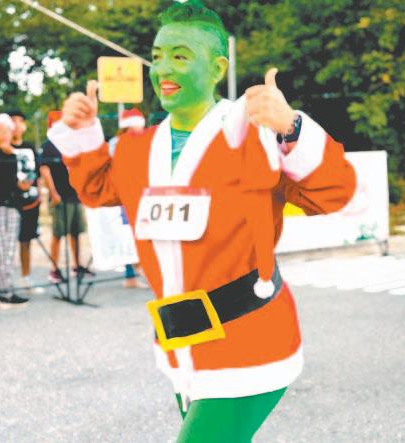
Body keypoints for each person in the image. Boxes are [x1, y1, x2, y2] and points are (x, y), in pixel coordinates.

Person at [48, 1, 357, 440]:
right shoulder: (137, 148)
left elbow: (333, 193)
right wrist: (82, 130)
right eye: (157, 56)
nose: (162, 68)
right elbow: (97, 188)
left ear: (217, 69)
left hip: (250, 340)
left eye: (180, 56)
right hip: (179, 348)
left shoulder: (257, 136)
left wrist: (289, 126)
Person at [40, 111, 94, 283]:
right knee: (58, 234)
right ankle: (54, 269)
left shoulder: (72, 144)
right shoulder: (48, 145)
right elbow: (44, 169)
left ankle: (77, 266)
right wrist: (53, 193)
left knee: (76, 233)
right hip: (60, 196)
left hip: (75, 195)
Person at [0, 113, 31, 309]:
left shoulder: (14, 154)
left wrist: (13, 154)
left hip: (13, 205)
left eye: (9, 130)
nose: (6, 134)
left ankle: (9, 291)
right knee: (1, 249)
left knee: (10, 249)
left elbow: (23, 178)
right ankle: (2, 294)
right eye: (2, 130)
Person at [109, 108, 149, 289]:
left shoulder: (142, 141)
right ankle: (131, 274)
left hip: (141, 193)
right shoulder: (117, 143)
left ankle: (138, 270)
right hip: (125, 195)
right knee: (129, 234)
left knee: (141, 232)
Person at [8, 110, 44, 294]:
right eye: (13, 121)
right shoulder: (1, 148)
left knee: (26, 241)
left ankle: (26, 278)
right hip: (9, 203)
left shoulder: (29, 147)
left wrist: (39, 194)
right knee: (6, 244)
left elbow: (38, 173)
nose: (16, 125)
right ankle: (5, 283)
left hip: (31, 201)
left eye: (20, 121)